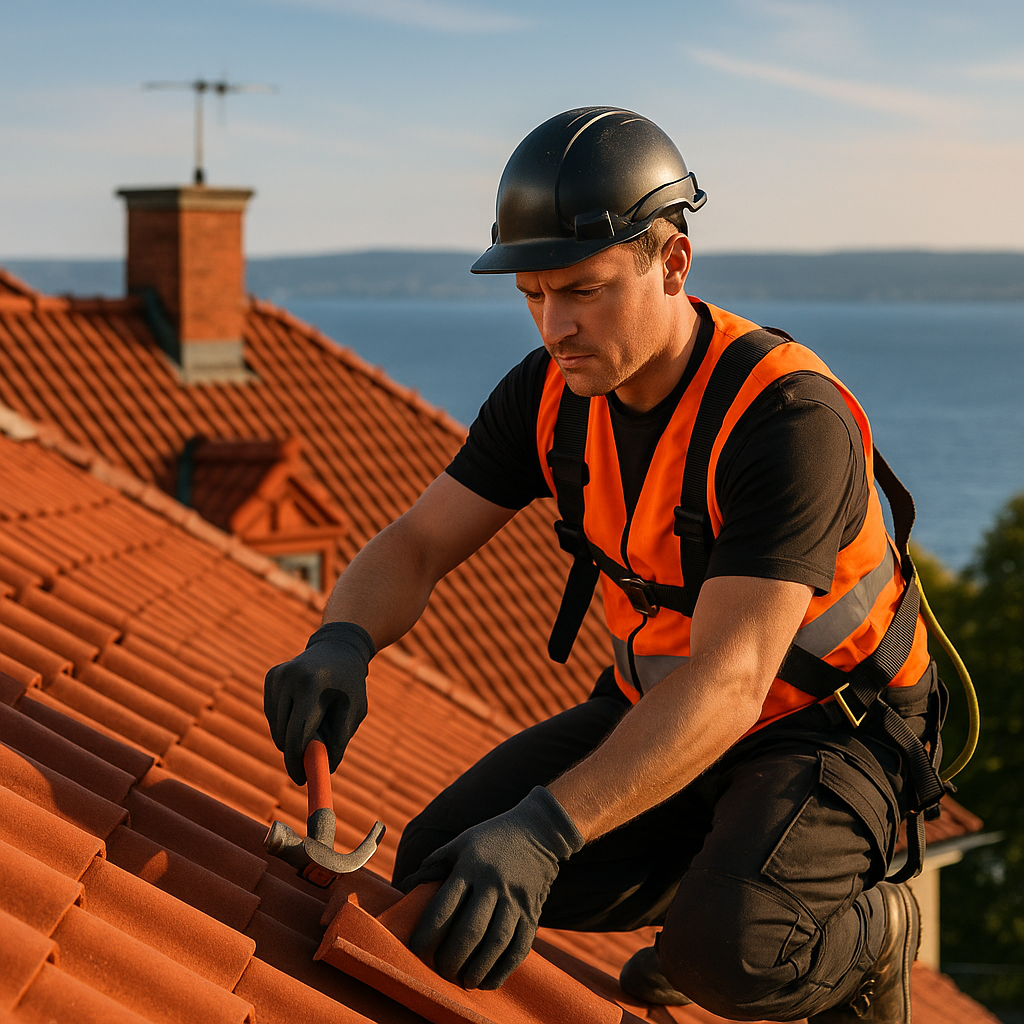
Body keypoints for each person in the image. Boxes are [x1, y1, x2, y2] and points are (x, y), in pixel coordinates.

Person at [264, 107, 948, 1023]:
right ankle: (730, 880)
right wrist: (343, 638)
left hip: (832, 728)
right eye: (534, 297)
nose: (555, 326)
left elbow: (736, 682)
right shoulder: (552, 392)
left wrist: (549, 832)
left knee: (730, 954)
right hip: (666, 707)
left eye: (583, 291)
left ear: (673, 262)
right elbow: (417, 545)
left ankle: (854, 927)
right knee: (442, 866)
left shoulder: (785, 422)